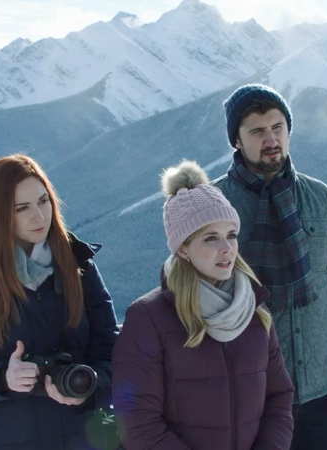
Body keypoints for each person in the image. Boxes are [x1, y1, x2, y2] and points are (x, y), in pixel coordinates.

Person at [214, 84, 327, 448]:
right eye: (257, 131)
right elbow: (191, 302)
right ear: (237, 141)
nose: (270, 139)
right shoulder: (215, 206)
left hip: (317, 395)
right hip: (246, 399)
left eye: (278, 128)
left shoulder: (319, 199)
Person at [0, 154, 119, 450]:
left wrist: (88, 385)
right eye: (22, 208)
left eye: (44, 201)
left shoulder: (78, 266)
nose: (39, 217)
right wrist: (3, 377)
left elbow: (113, 356)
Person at [112, 160, 294, 450]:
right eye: (211, 238)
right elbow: (137, 422)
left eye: (231, 235)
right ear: (183, 247)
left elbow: (279, 398)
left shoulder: (255, 312)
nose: (227, 249)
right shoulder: (148, 318)